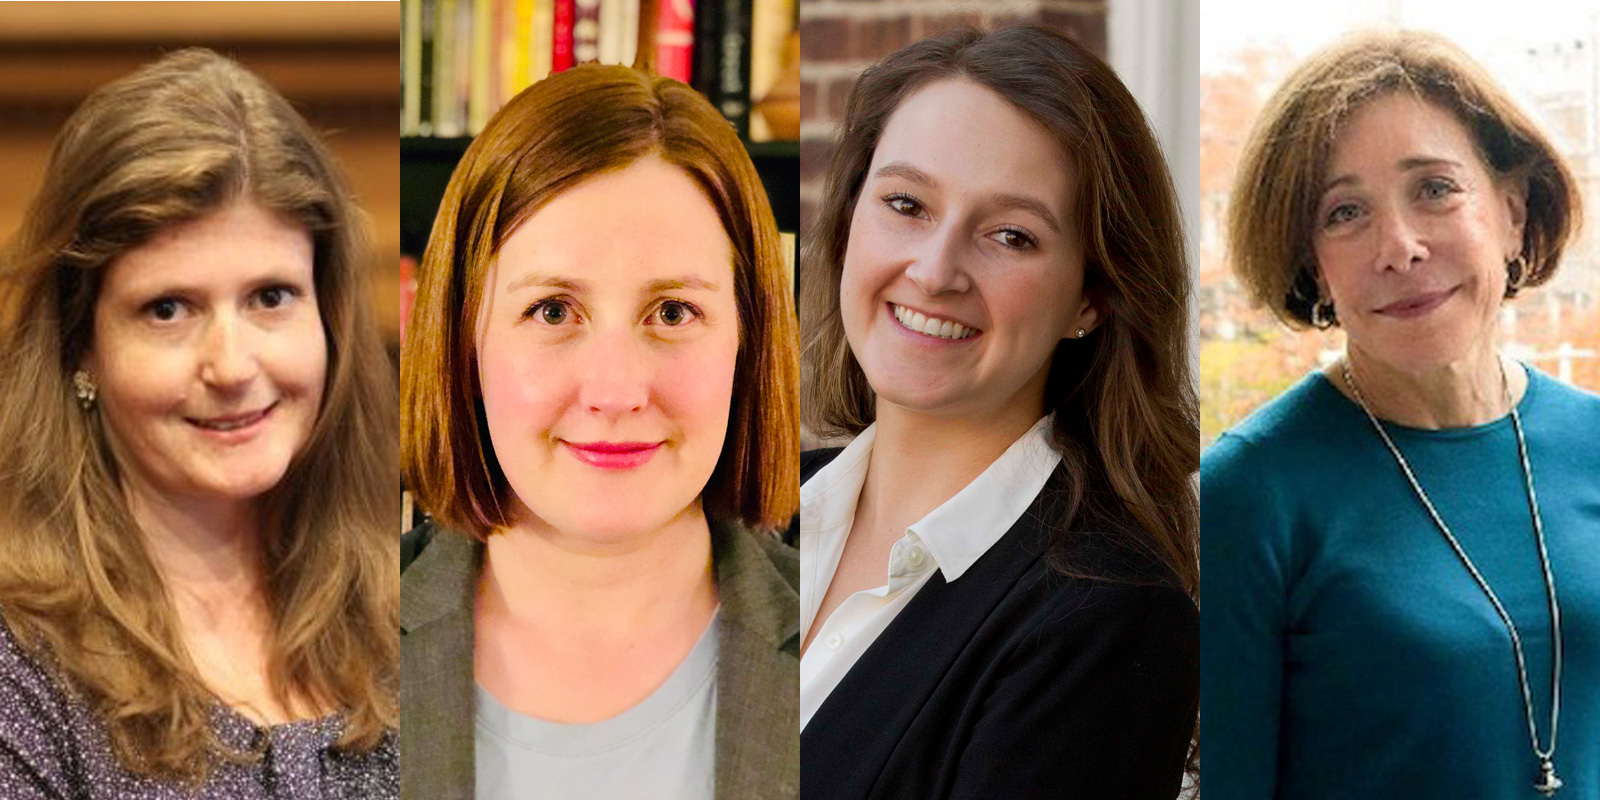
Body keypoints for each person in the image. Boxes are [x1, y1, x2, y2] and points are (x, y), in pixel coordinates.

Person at [798, 25, 1199, 799]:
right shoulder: (742, 515)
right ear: (850, 219)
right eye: (907, 204)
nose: (935, 269)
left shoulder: (1107, 619)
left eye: (1010, 235)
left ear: (1092, 295)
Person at [1204, 30, 1600, 799]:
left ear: (1512, 213)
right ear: (1311, 263)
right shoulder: (1249, 496)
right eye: (1345, 212)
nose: (1400, 246)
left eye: (1435, 189)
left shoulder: (1595, 442)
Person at [0, 49, 398, 798]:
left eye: (271, 297)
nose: (232, 365)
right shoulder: (18, 674)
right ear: (80, 344)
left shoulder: (412, 613)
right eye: (168, 309)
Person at [399, 62, 800, 800]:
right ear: (464, 338)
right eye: (553, 311)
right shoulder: (328, 656)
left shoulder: (858, 652)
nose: (616, 391)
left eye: (673, 313)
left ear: (750, 338)